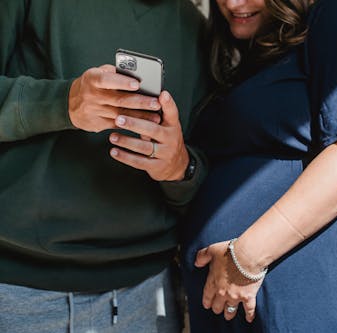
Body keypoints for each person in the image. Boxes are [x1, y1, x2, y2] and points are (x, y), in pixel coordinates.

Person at [178, 0, 337, 332]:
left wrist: (244, 259)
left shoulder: (334, 17)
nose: (233, 3)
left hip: (321, 285)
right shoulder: (249, 59)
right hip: (239, 297)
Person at [0, 0, 207, 332]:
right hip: (19, 292)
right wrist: (63, 102)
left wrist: (179, 167)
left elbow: (207, 173)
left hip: (147, 291)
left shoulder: (198, 25)